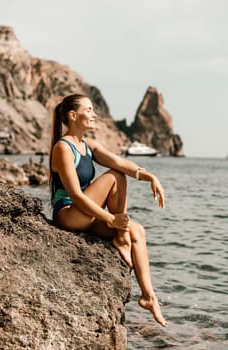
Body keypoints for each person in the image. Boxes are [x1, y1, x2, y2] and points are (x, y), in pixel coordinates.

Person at [49, 94, 166, 327]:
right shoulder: (63, 148)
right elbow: (77, 196)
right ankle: (120, 238)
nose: (94, 115)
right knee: (115, 177)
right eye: (89, 110)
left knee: (138, 231)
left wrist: (148, 175)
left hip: (88, 215)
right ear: (73, 116)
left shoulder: (88, 146)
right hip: (69, 213)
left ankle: (148, 296)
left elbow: (120, 161)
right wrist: (112, 220)